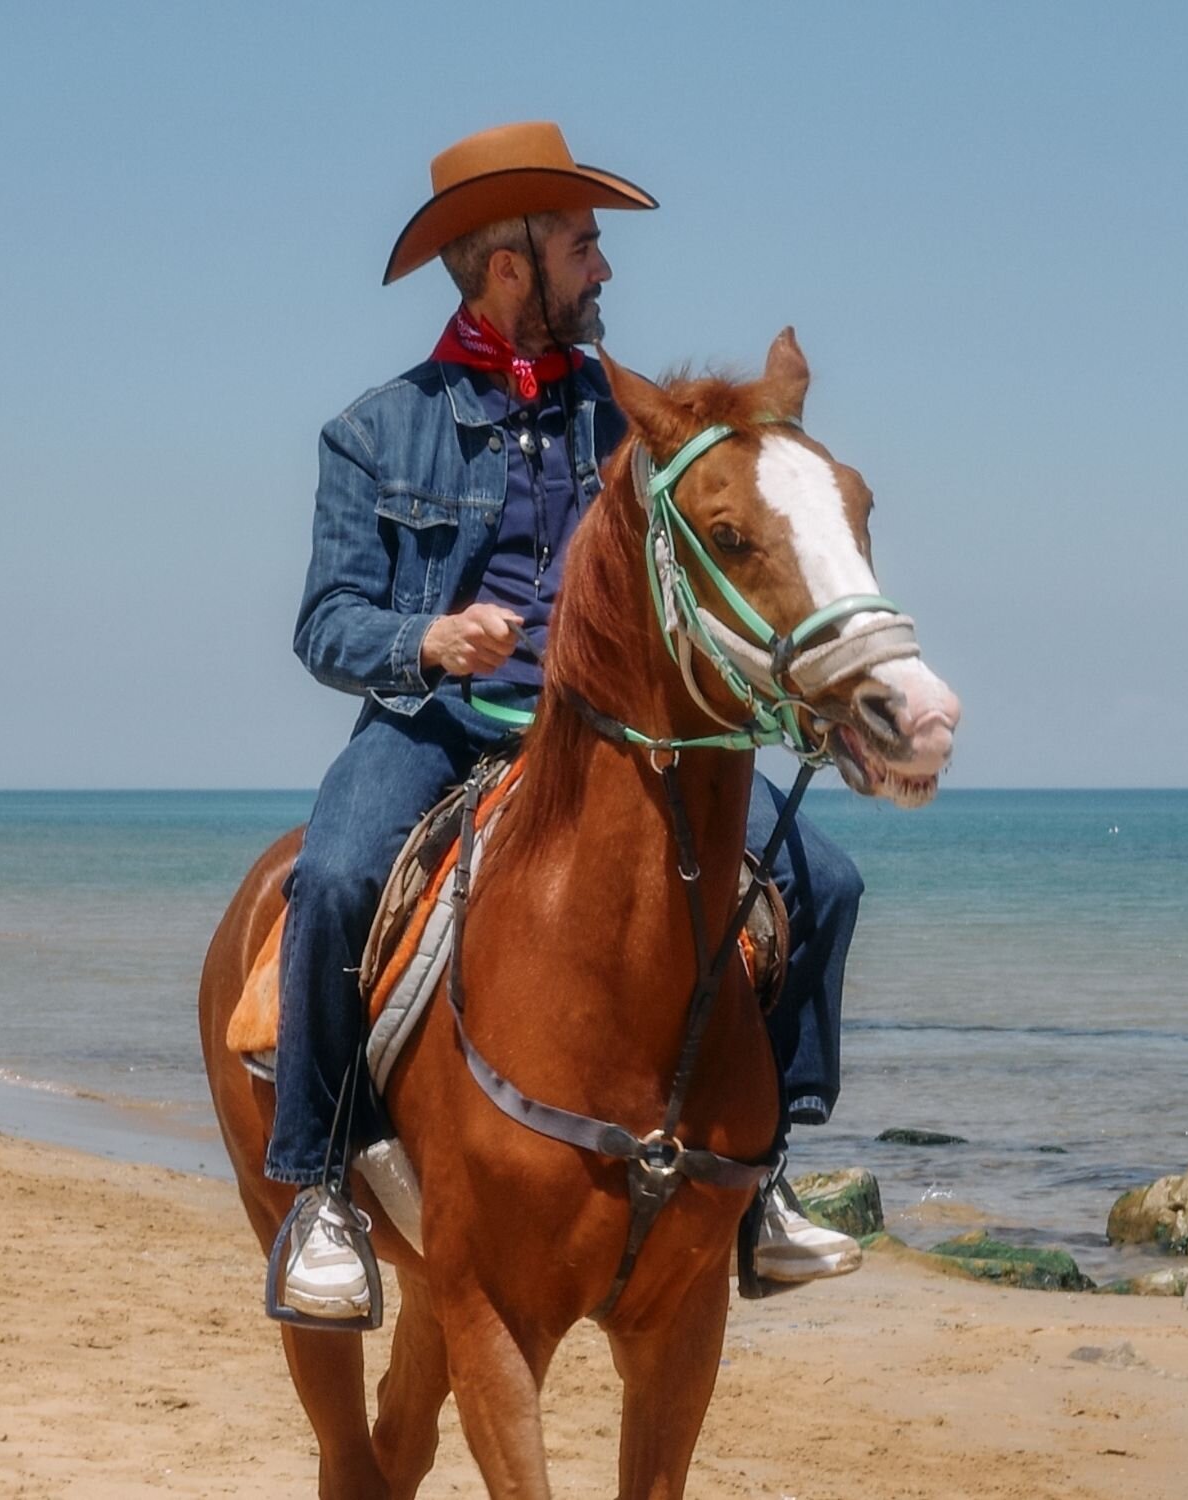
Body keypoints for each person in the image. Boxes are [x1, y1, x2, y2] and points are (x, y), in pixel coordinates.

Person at [270, 121, 864, 1325]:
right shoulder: (375, 430)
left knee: (829, 883)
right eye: (583, 246)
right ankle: (320, 1188)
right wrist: (430, 638)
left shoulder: (629, 422)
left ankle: (765, 1179)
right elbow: (326, 624)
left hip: (616, 740)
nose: (604, 268)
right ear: (511, 266)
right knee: (331, 880)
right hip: (441, 726)